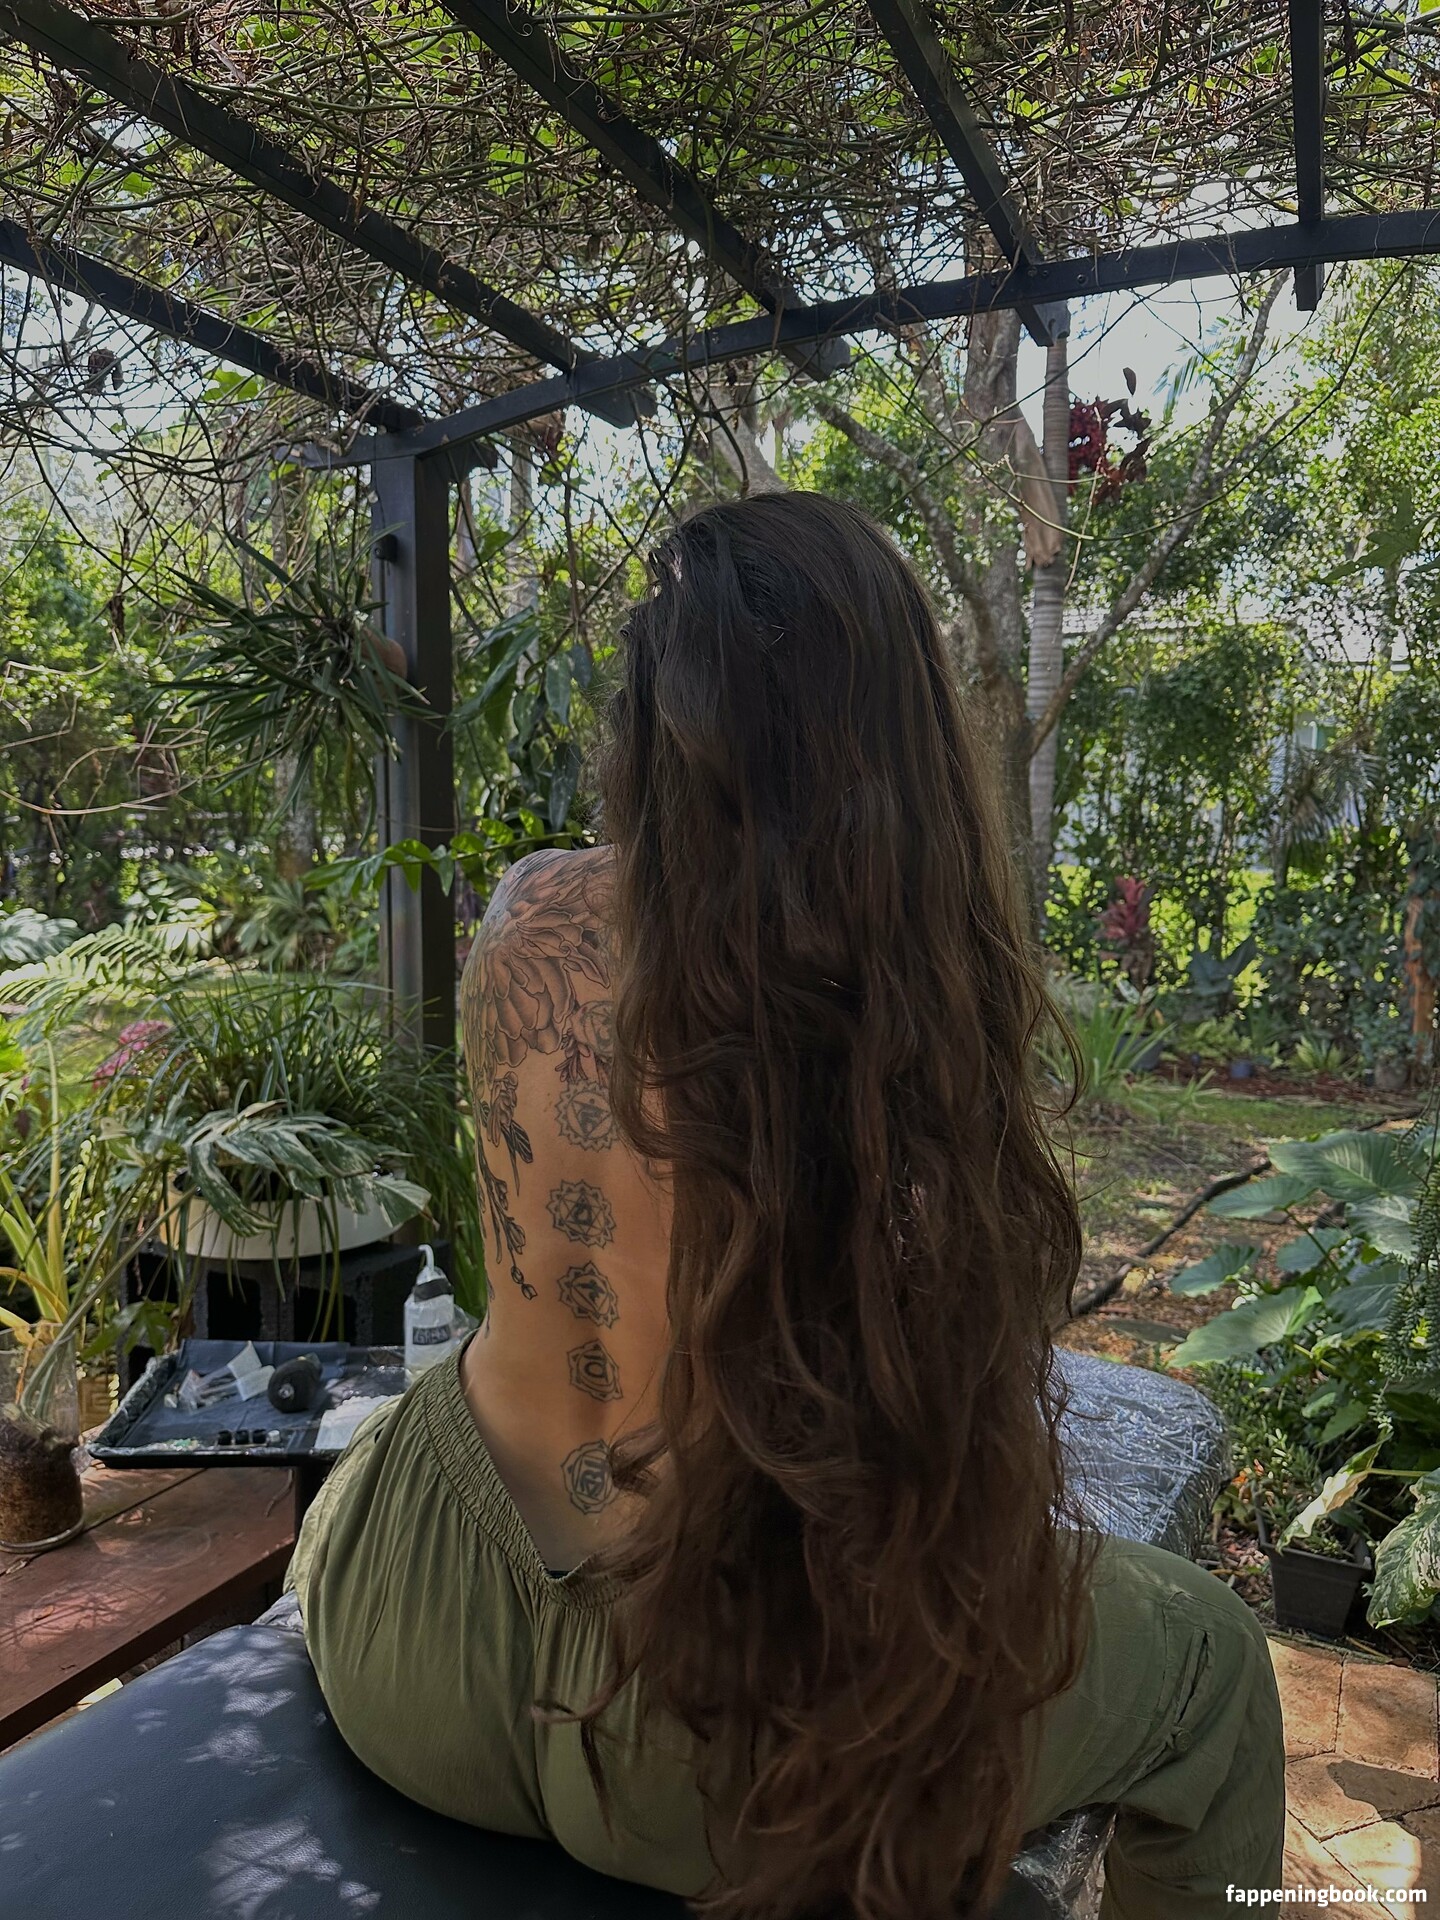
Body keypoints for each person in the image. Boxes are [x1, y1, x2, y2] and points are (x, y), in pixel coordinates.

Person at [289, 494, 1284, 1920]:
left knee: (387, 1445)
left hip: (412, 1623)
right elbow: (917, 1426)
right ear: (892, 744)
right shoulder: (889, 1009)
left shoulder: (525, 915)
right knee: (1217, 1668)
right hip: (703, 1723)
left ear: (649, 725)